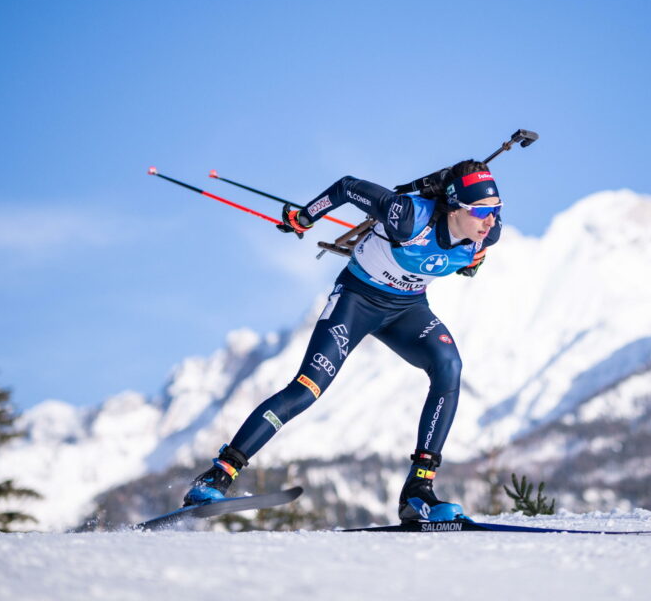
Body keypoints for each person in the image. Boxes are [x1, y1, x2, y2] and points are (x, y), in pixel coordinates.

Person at [182, 160, 502, 523]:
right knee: (306, 389)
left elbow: (463, 257)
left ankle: (418, 491)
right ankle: (219, 474)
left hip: (408, 310)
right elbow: (348, 187)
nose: (490, 221)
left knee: (449, 367)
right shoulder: (407, 216)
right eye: (481, 211)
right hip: (357, 303)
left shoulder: (487, 233)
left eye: (496, 210)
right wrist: (305, 217)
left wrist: (471, 261)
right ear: (454, 205)